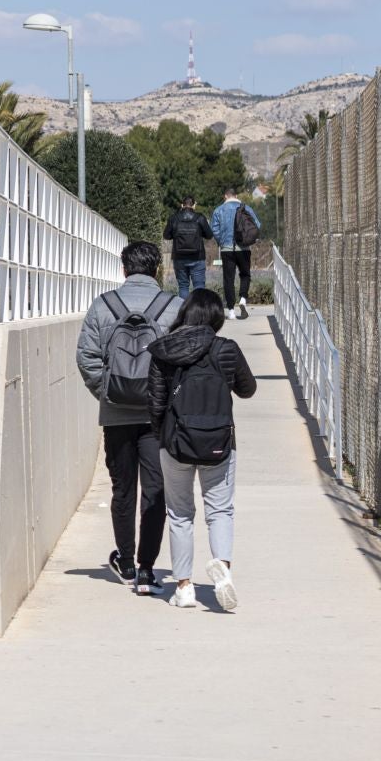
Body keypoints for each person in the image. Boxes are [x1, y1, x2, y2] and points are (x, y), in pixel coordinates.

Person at [76, 240, 181, 595]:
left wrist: (107, 392)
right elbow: (184, 359)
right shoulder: (173, 307)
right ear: (157, 269)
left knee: (123, 489)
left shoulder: (103, 306)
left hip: (116, 414)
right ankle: (148, 569)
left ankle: (125, 560)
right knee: (156, 490)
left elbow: (86, 358)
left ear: (124, 269)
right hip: (157, 416)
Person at [147, 289, 257, 611]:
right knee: (220, 511)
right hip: (219, 445)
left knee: (180, 514)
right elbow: (248, 390)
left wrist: (163, 438)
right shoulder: (227, 349)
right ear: (216, 318)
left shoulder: (165, 351)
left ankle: (183, 587)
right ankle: (222, 568)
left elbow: (154, 403)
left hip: (176, 444)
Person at [210, 187, 260, 319]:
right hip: (243, 249)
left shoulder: (218, 210)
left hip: (227, 250)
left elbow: (213, 229)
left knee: (228, 279)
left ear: (225, 196)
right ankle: (243, 298)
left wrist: (222, 241)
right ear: (236, 196)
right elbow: (257, 225)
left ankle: (231, 310)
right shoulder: (247, 208)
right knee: (245, 275)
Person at [163, 194, 214, 298]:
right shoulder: (200, 218)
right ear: (194, 205)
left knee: (183, 286)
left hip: (179, 258)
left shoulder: (174, 218)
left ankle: (184, 312)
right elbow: (209, 235)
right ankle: (199, 313)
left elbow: (166, 235)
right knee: (199, 287)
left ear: (182, 205)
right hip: (198, 257)